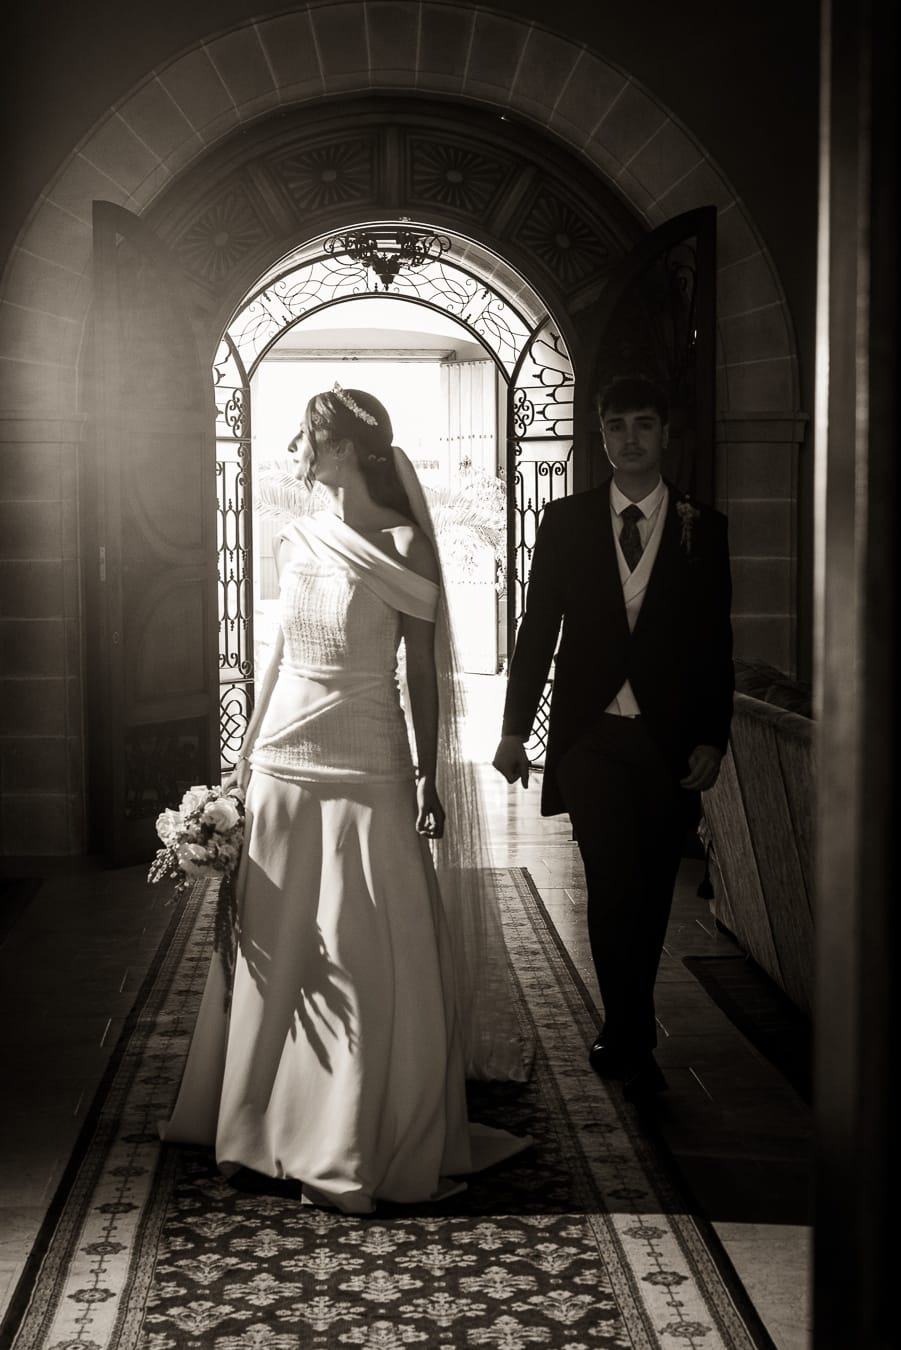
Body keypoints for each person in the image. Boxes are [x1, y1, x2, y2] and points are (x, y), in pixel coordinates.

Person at [161, 384, 529, 1211]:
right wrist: (242, 762)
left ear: (346, 448)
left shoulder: (404, 544)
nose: (296, 449)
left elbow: (422, 672)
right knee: (277, 946)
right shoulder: (294, 537)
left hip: (369, 763)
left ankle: (351, 1130)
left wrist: (431, 771)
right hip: (283, 761)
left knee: (363, 948)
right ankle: (258, 1119)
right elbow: (275, 659)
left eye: (306, 436)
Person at [493, 374, 733, 1103]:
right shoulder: (565, 521)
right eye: (617, 426)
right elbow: (538, 627)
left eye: (643, 424)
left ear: (665, 435)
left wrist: (711, 736)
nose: (630, 438)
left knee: (652, 888)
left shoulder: (703, 526)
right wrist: (513, 728)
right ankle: (627, 1028)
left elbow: (713, 642)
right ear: (600, 437)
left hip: (665, 738)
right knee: (609, 881)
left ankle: (631, 1014)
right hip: (588, 737)